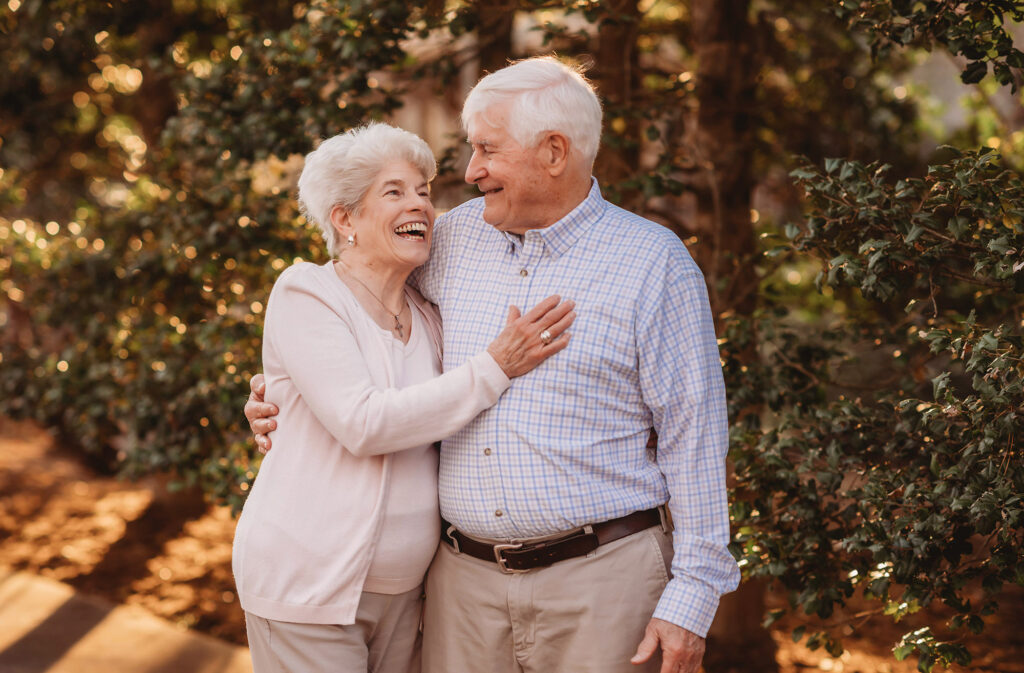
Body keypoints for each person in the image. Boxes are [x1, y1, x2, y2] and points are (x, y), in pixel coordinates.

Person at [246, 57, 740, 673]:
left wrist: (693, 594)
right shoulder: (447, 242)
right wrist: (280, 392)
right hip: (461, 590)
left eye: (486, 149)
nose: (470, 170)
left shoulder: (653, 263)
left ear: (554, 152)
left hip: (604, 585)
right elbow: (353, 297)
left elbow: (695, 434)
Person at [233, 122, 575, 673]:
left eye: (422, 191)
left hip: (406, 592)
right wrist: (496, 365)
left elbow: (451, 416)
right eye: (393, 191)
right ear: (344, 219)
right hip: (306, 586)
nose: (418, 204)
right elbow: (364, 424)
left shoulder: (428, 316)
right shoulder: (307, 292)